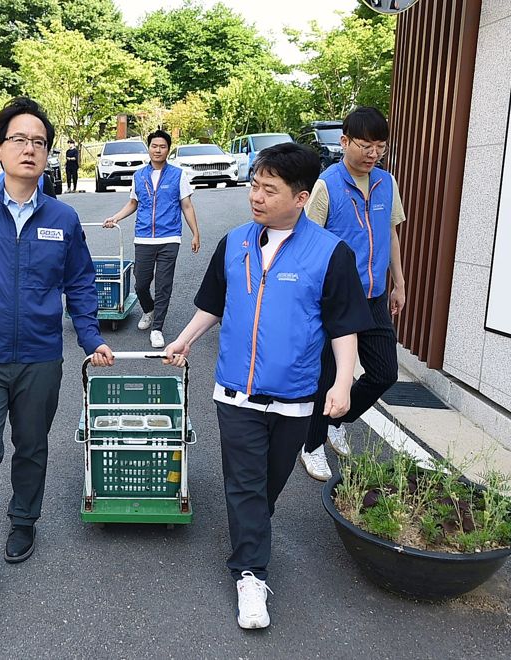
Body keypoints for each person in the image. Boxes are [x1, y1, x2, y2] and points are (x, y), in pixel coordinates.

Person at [163, 143, 372, 629]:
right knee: (245, 485)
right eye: (254, 185)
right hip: (234, 392)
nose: (255, 196)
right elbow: (213, 305)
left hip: (296, 398)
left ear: (301, 198)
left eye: (269, 189)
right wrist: (184, 340)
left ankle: (250, 535)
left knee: (266, 488)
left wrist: (342, 384)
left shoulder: (329, 253)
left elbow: (344, 326)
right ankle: (250, 575)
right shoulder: (234, 242)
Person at [0, 97, 114, 603]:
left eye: (39, 142)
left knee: (31, 446)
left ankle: (24, 520)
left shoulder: (63, 218)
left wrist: (92, 337)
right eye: (19, 139)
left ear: (48, 154)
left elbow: (80, 281)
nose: (29, 149)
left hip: (40, 357)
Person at [299, 106, 407, 481]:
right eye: (365, 145)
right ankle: (311, 446)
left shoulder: (386, 183)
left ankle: (337, 421)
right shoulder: (327, 184)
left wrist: (399, 282)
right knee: (328, 376)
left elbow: (391, 232)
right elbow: (307, 241)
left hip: (376, 294)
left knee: (384, 372)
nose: (373, 153)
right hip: (338, 298)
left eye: (380, 146)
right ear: (345, 142)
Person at [103, 130, 200, 349]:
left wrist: (195, 233)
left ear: (168, 149)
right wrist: (115, 217)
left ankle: (157, 328)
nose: (158, 150)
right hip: (144, 237)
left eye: (162, 146)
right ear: (149, 148)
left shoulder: (178, 175)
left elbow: (187, 205)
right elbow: (133, 203)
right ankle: (149, 310)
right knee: (141, 284)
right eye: (154, 146)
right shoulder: (139, 176)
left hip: (170, 237)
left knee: (163, 286)